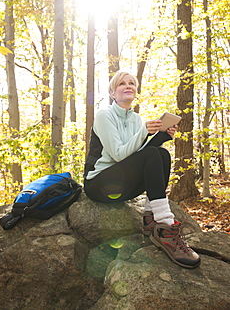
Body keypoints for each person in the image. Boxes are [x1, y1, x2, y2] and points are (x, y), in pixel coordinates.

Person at [84, 71, 200, 269]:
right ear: (113, 92)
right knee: (153, 154)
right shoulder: (105, 115)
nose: (128, 86)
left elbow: (141, 155)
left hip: (122, 184)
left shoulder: (137, 119)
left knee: (161, 154)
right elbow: (119, 154)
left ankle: (150, 218)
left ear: (136, 91)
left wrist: (162, 136)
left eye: (132, 83)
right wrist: (145, 132)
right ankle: (166, 227)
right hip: (99, 184)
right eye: (122, 84)